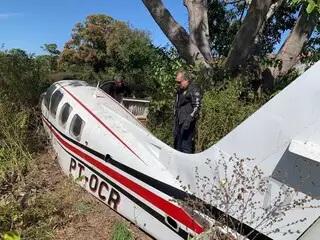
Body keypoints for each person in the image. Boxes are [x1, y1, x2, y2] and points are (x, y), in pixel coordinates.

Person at [173, 69, 202, 153]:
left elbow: (197, 106)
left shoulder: (193, 89)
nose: (178, 84)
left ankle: (184, 165)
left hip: (187, 123)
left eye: (179, 82)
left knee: (185, 146)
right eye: (177, 82)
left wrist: (189, 119)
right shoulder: (180, 90)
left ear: (186, 80)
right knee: (177, 146)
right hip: (179, 121)